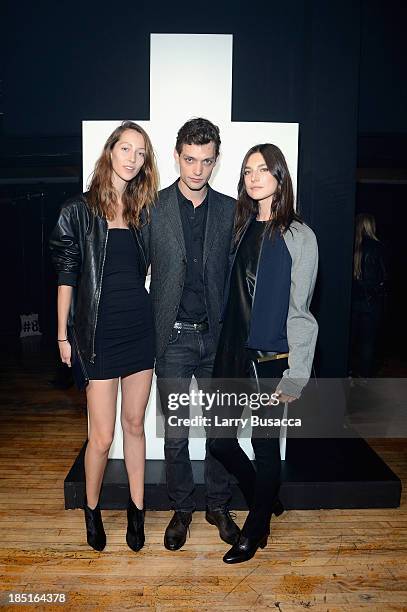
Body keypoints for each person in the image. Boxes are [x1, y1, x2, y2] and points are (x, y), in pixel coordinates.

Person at [49, 121, 159, 552]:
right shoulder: (78, 210)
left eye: (140, 152)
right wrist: (62, 335)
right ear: (110, 151)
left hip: (138, 330)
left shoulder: (142, 212)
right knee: (101, 437)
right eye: (126, 148)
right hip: (96, 335)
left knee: (135, 425)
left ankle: (136, 512)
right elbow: (66, 276)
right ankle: (91, 511)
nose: (132, 158)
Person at [208, 143, 318, 564]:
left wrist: (296, 374)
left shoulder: (299, 236)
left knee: (265, 446)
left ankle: (254, 532)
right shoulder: (240, 227)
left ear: (279, 177)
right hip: (232, 355)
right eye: (248, 171)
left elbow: (302, 311)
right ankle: (263, 496)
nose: (254, 177)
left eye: (263, 170)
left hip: (271, 361)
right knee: (220, 443)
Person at [142, 117, 240, 550]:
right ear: (177, 155)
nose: (197, 169)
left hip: (217, 339)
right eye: (189, 159)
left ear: (215, 161)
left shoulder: (230, 209)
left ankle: (218, 504)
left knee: (222, 430)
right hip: (174, 340)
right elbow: (132, 270)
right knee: (177, 433)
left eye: (206, 161)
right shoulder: (153, 208)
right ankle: (181, 508)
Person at [350, 213, 386, 377]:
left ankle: (349, 372)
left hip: (352, 302)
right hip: (371, 303)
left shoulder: (351, 245)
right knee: (367, 343)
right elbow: (384, 277)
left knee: (351, 341)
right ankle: (364, 377)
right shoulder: (377, 247)